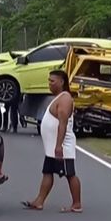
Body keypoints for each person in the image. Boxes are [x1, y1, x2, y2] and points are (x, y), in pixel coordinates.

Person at [22, 70, 82, 213]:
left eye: (52, 81)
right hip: (52, 147)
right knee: (47, 172)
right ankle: (39, 201)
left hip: (61, 145)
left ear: (61, 82)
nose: (49, 84)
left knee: (70, 174)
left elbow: (63, 124)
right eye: (48, 81)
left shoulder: (65, 98)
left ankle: (77, 204)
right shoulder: (58, 97)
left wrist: (59, 146)